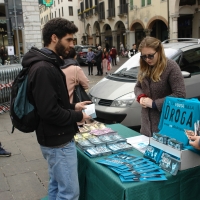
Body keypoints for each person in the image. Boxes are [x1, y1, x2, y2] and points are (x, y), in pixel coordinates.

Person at [21, 18, 91, 200]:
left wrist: (73, 105)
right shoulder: (44, 68)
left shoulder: (47, 63)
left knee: (55, 187)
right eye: (69, 39)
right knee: (69, 193)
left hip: (54, 139)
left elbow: (52, 104)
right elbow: (50, 112)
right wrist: (78, 116)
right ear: (54, 38)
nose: (72, 44)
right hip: (57, 141)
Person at [134, 37, 186, 137]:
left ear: (159, 51)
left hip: (165, 126)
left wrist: (154, 104)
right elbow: (137, 87)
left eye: (150, 56)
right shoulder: (145, 67)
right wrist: (141, 97)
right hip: (146, 127)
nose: (147, 59)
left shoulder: (171, 67)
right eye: (144, 56)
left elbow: (180, 95)